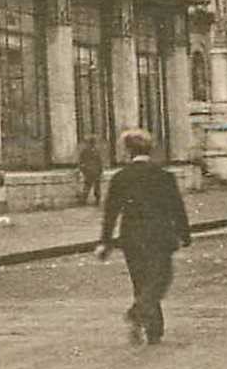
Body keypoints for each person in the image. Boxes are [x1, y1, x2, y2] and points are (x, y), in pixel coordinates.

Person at [95, 128, 191, 346]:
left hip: (132, 238)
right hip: (160, 236)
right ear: (150, 149)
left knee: (141, 282)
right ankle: (141, 317)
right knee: (160, 279)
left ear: (129, 151)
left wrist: (105, 242)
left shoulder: (121, 177)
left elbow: (111, 212)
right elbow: (177, 207)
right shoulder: (163, 176)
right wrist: (184, 234)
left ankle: (151, 327)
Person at [78, 138, 104, 205]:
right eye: (91, 143)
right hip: (91, 171)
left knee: (92, 186)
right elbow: (81, 161)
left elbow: (99, 162)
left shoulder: (87, 151)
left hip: (92, 171)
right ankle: (86, 199)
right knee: (90, 186)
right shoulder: (89, 151)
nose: (92, 145)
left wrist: (100, 170)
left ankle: (94, 199)